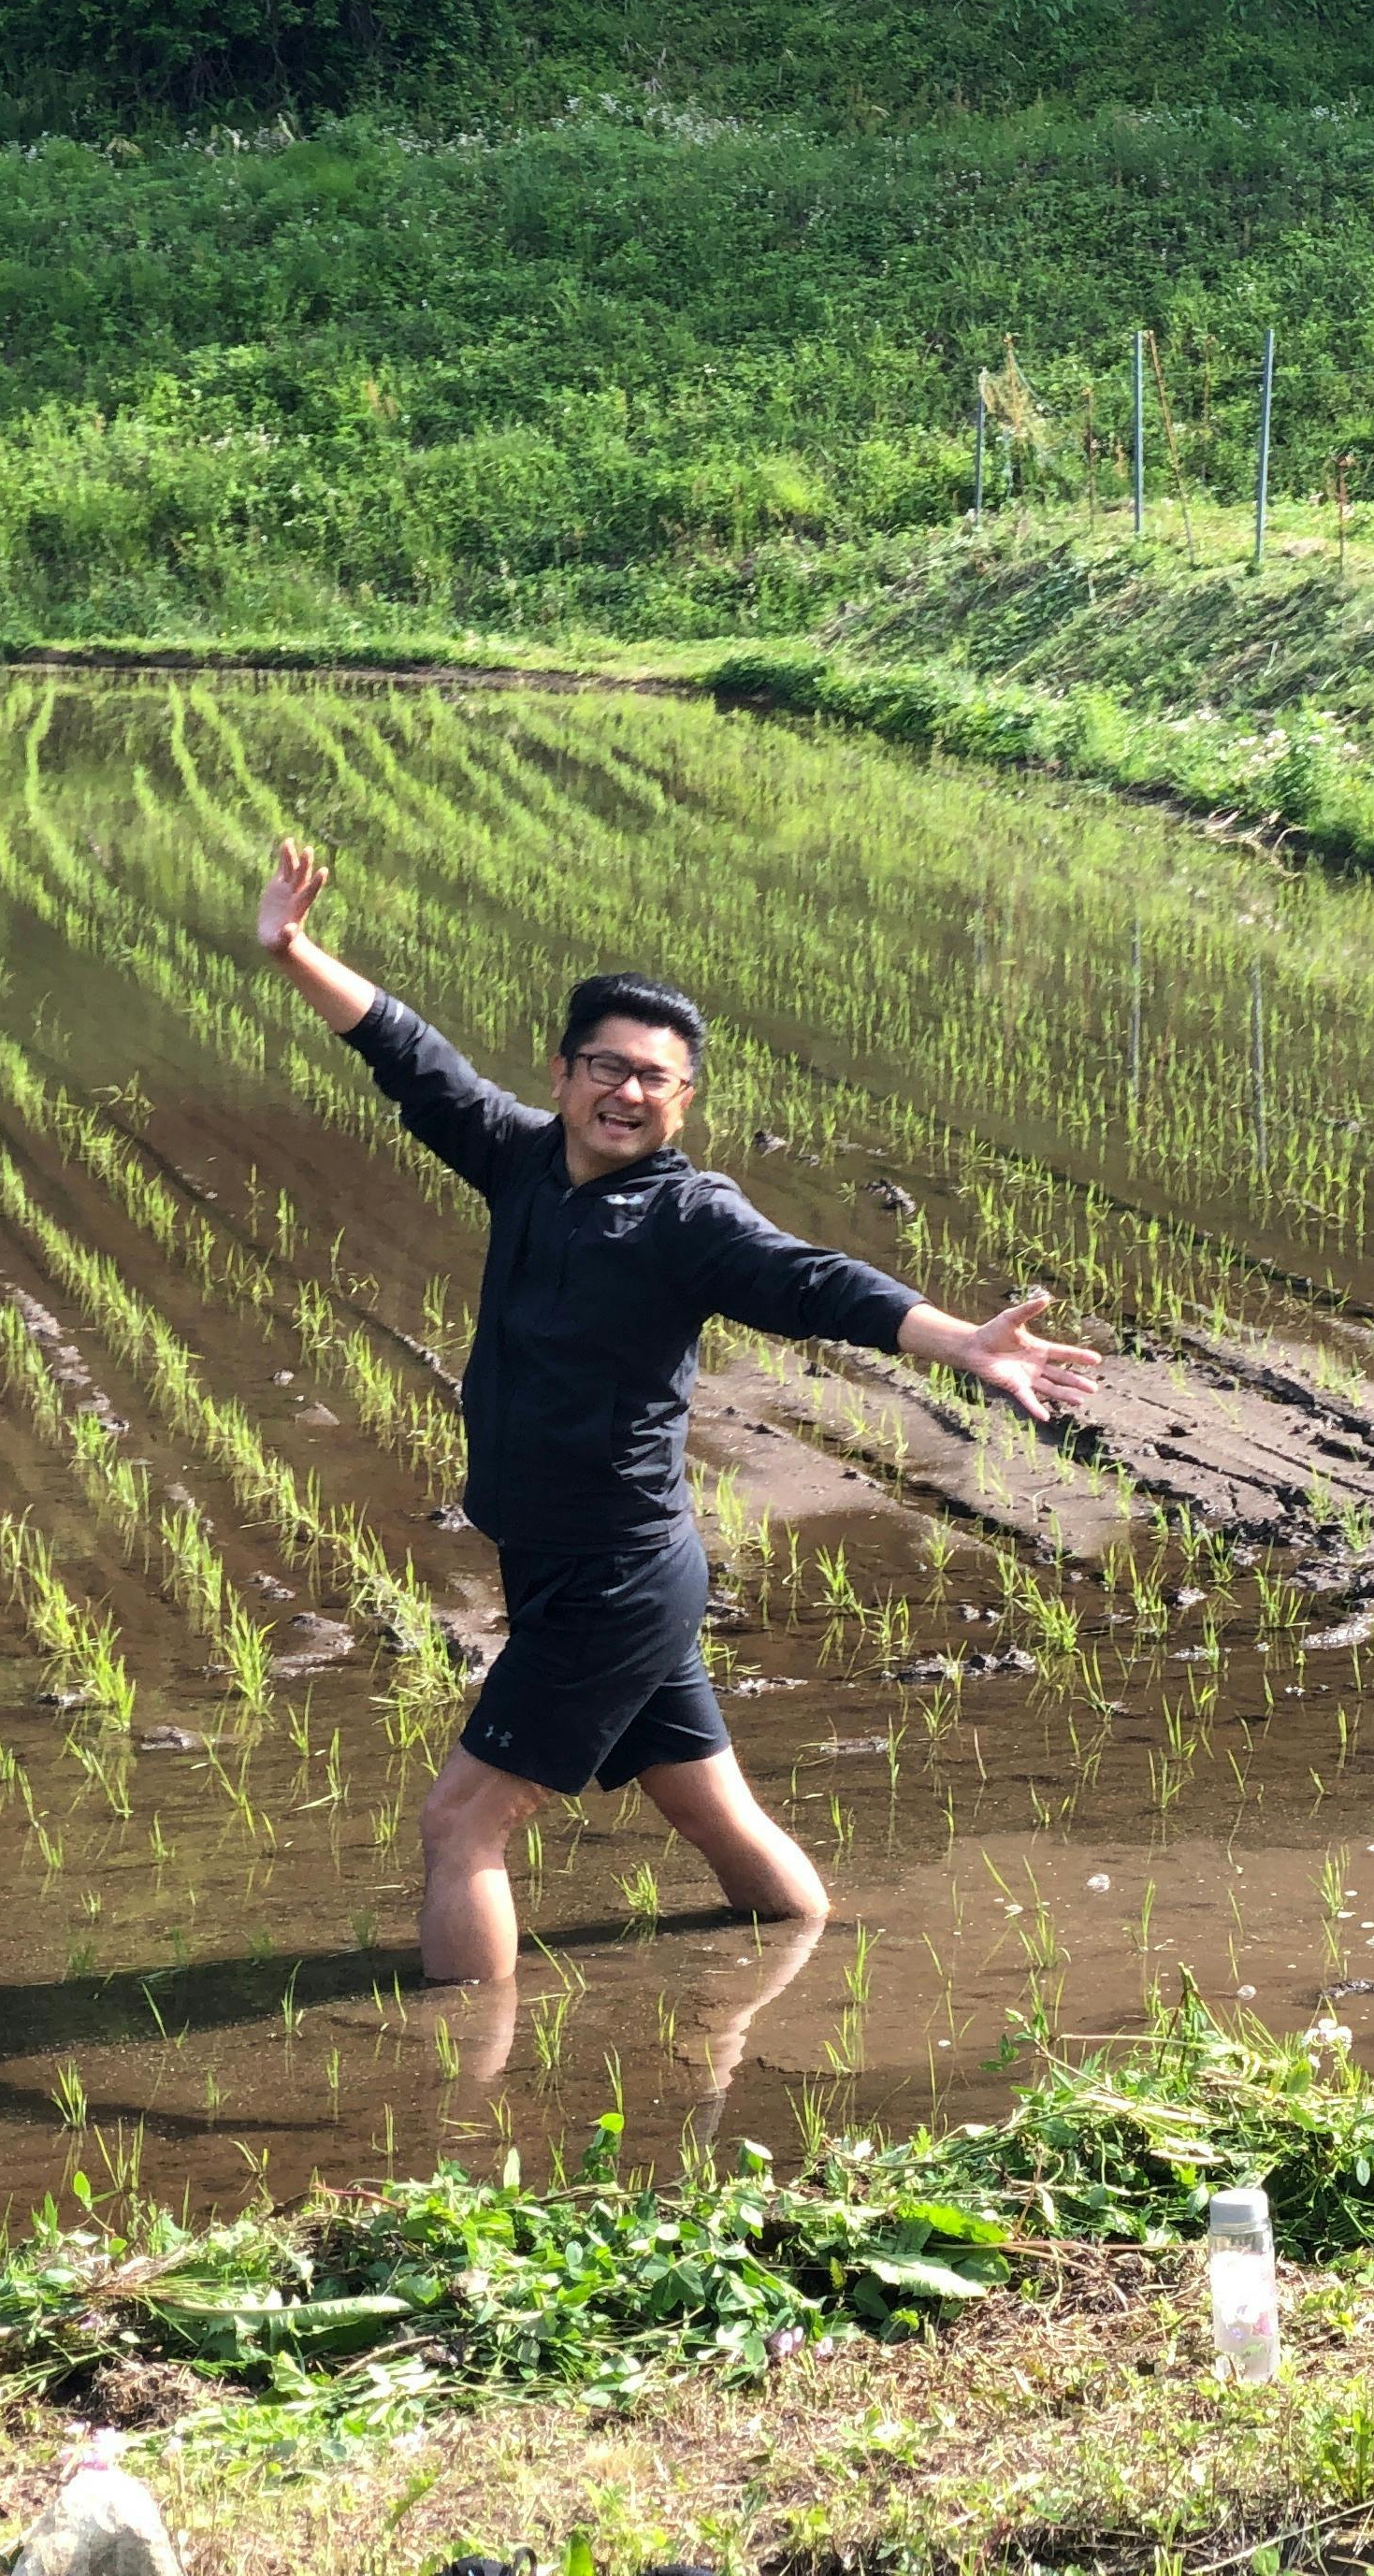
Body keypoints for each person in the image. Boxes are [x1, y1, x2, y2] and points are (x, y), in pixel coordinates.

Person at [253, 837, 1102, 1985]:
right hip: (571, 1564)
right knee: (707, 1808)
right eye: (608, 1067)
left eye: (656, 1078)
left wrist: (958, 1340)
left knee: (461, 1826)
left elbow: (815, 1279)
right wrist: (294, 950)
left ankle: (458, 2100)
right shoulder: (520, 1160)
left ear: (683, 1101)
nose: (629, 1092)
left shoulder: (688, 1215)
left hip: (616, 1575)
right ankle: (815, 1967)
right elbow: (410, 1055)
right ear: (562, 1073)